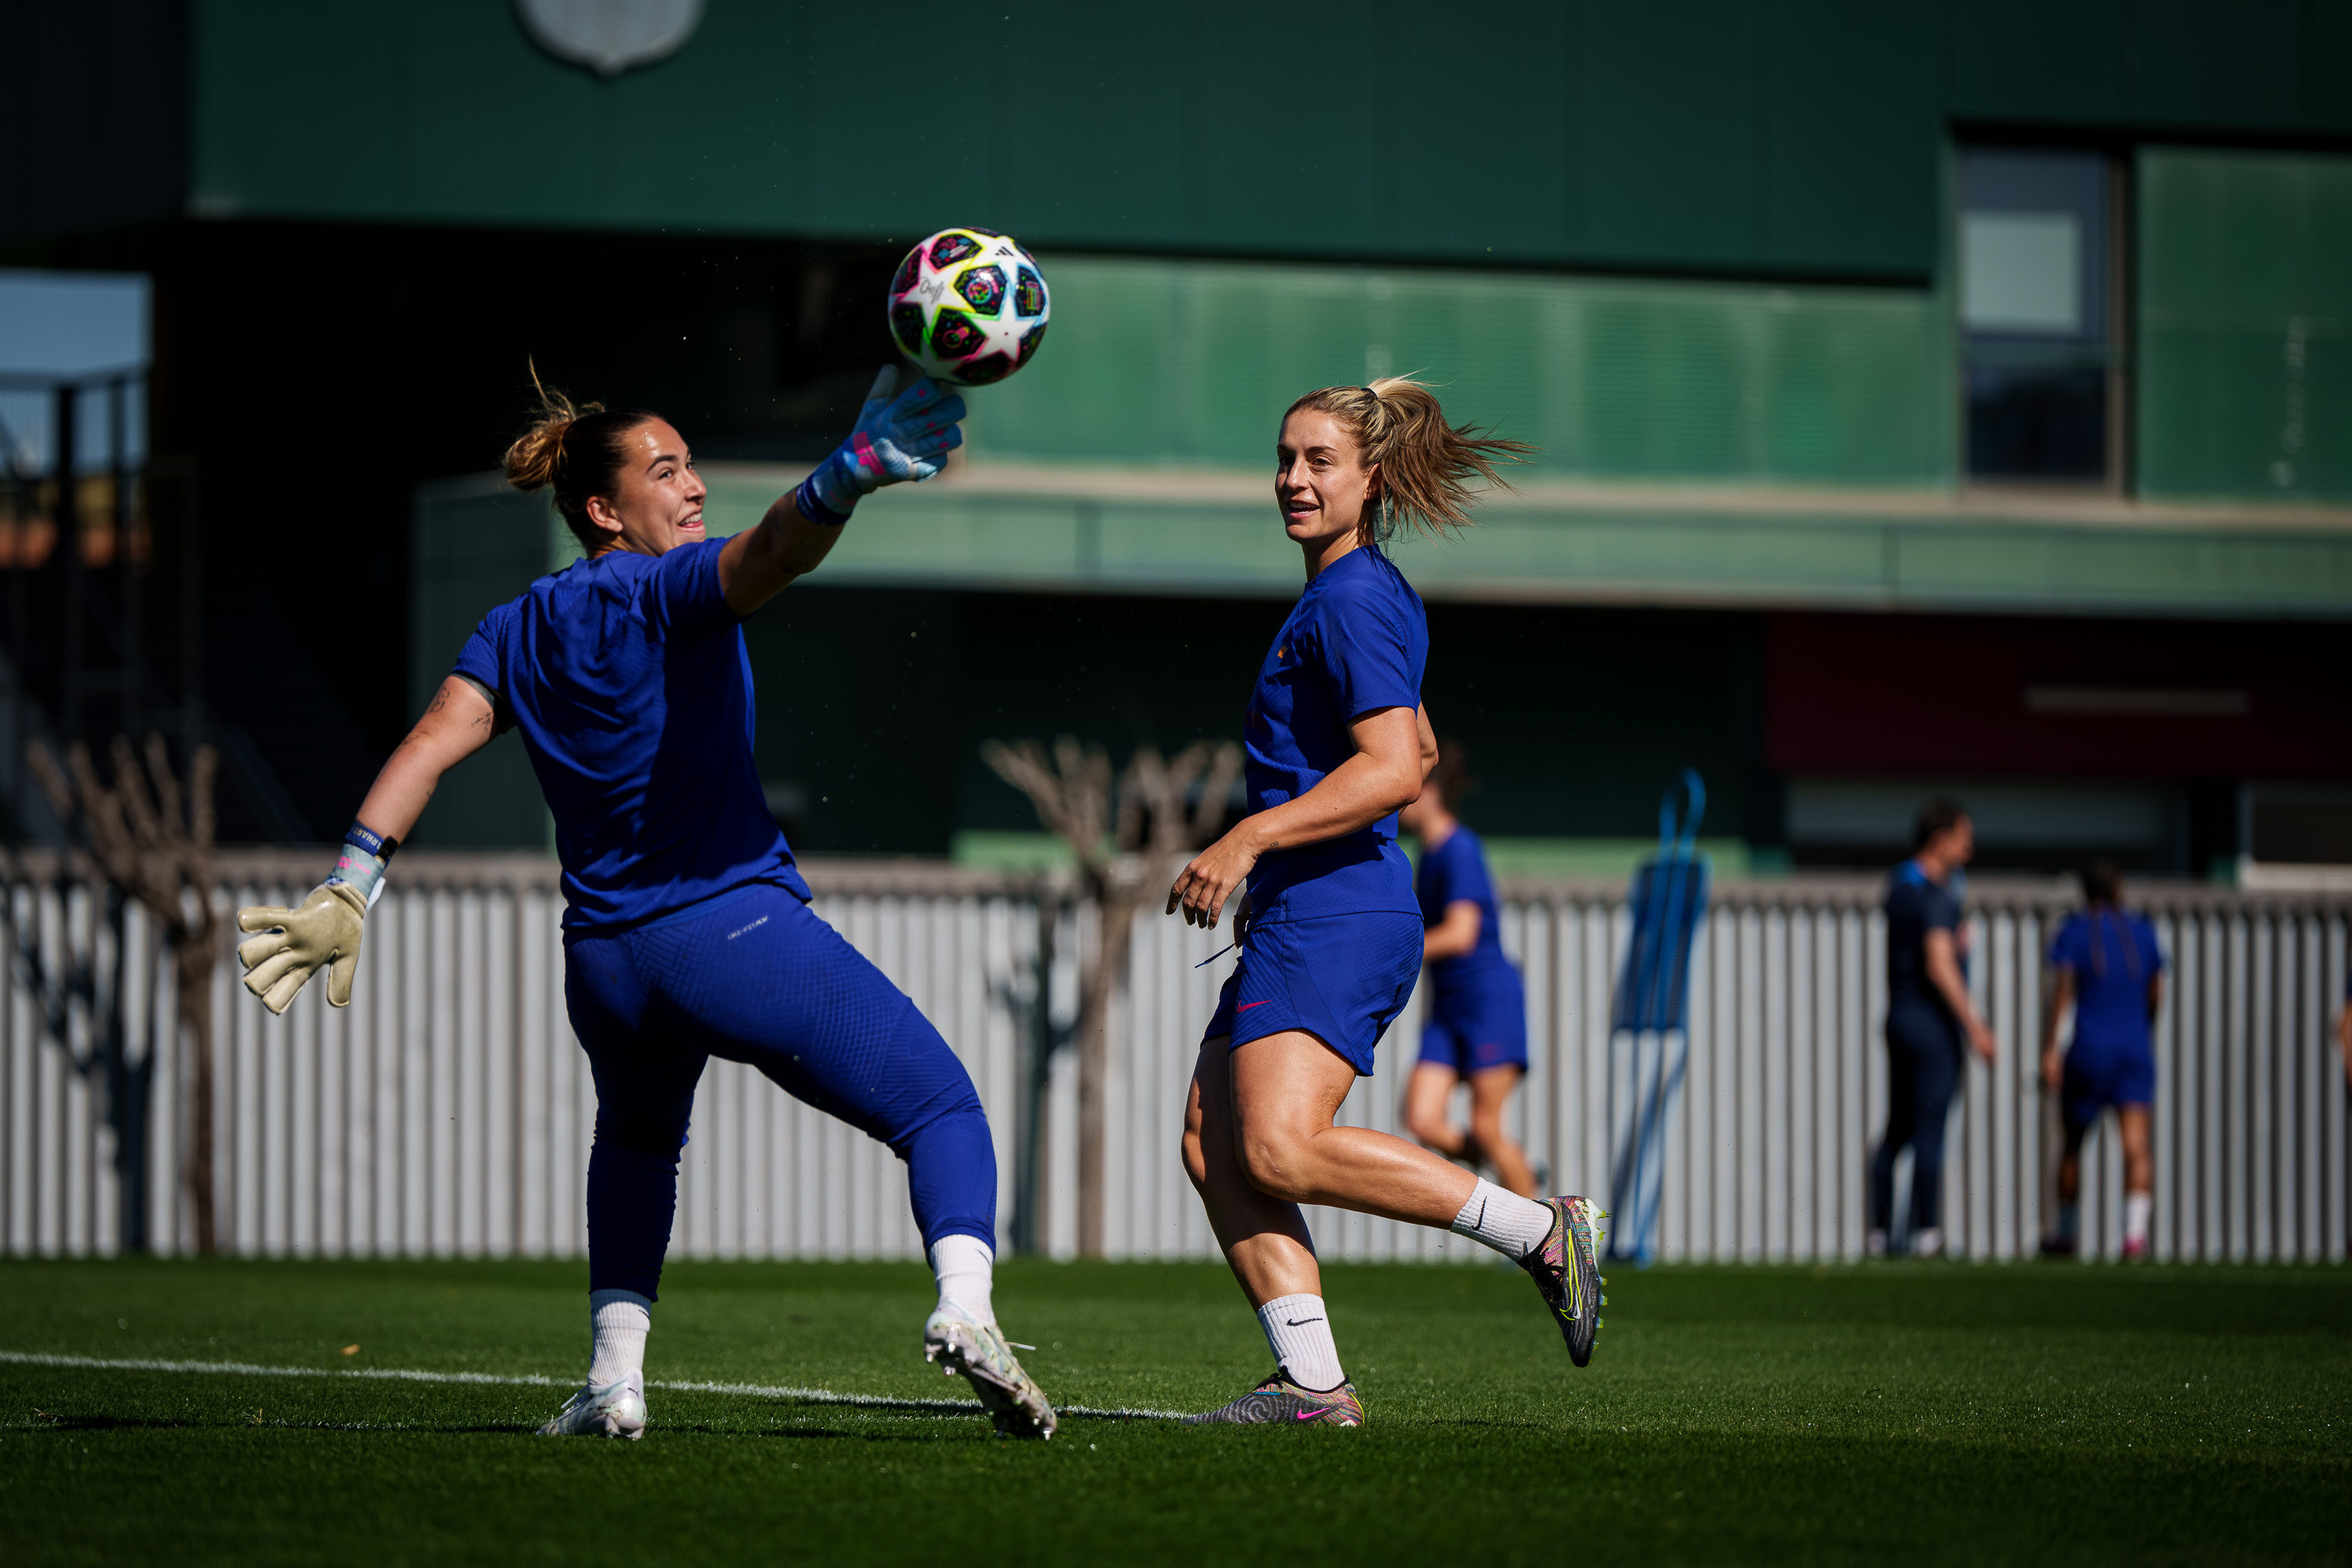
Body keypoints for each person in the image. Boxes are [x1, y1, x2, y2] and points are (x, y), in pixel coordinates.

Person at [232, 368, 1057, 1441]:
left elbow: (431, 743)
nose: (695, 486)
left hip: (607, 967)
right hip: (726, 931)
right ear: (603, 511)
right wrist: (849, 475)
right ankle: (967, 1311)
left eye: (691, 464)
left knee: (635, 1145)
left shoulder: (516, 623)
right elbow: (772, 555)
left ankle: (612, 1381)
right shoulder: (658, 590)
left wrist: (353, 881)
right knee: (941, 1108)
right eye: (666, 473)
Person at [1167, 377, 1601, 1430]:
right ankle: (1314, 1385)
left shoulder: (1354, 595)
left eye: (1319, 461)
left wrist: (1248, 835)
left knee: (1275, 1148)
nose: (1293, 479)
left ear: (1370, 480)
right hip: (1309, 907)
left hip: (1340, 909)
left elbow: (1397, 771)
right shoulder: (1356, 595)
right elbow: (1417, 740)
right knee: (1211, 1143)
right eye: (1284, 459)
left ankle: (1540, 1229)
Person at [1396, 742, 1536, 1198]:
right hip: (1448, 1010)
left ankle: (1551, 1243)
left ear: (1429, 790)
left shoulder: (1460, 850)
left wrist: (1395, 955)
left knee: (1486, 1126)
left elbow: (1461, 934)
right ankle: (1517, 1170)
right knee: (1421, 1118)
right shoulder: (1429, 855)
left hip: (1486, 1003)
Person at [1868, 797, 1997, 1259]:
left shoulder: (1899, 885)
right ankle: (1928, 1235)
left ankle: (1879, 1233)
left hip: (1899, 1017)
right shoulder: (1936, 893)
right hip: (1930, 1025)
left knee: (1898, 1128)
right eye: (1964, 838)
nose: (1969, 848)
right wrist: (1977, 1026)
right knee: (1929, 1129)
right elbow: (1939, 962)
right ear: (1940, 840)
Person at [2038, 860, 2165, 1261]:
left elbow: (2063, 996)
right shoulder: (2144, 934)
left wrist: (2050, 1050)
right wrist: (2141, 1030)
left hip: (2089, 1050)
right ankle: (2134, 1236)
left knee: (2073, 1143)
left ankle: (2066, 1232)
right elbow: (2156, 993)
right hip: (2133, 1049)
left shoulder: (2075, 933)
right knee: (2136, 1146)